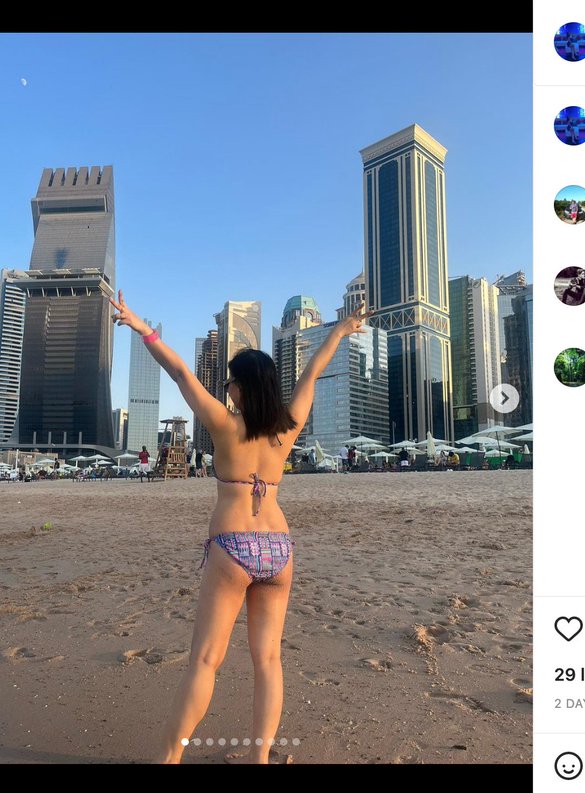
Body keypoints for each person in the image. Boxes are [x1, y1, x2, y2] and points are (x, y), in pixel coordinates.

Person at [110, 289, 374, 764]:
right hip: (279, 550)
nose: (227, 387)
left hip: (233, 548)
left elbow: (179, 372)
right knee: (268, 661)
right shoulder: (287, 427)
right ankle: (260, 759)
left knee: (205, 660)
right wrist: (340, 330)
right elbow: (313, 371)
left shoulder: (224, 424)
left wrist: (141, 326)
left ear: (243, 386)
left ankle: (169, 759)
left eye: (231, 381)